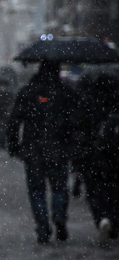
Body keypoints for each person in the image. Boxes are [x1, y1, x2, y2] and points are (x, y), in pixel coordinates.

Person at [7, 61, 77, 243]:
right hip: (58, 149)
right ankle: (59, 214)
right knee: (59, 188)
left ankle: (43, 227)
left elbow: (14, 121)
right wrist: (73, 145)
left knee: (37, 191)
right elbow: (76, 122)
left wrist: (14, 146)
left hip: (34, 150)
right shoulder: (66, 93)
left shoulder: (28, 92)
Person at [72, 73, 119, 247]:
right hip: (114, 157)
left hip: (92, 157)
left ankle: (101, 219)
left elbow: (77, 131)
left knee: (95, 193)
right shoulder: (114, 105)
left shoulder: (87, 103)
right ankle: (113, 222)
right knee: (114, 191)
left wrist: (78, 159)